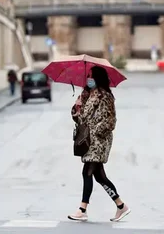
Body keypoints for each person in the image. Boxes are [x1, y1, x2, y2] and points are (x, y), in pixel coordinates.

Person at [68, 66, 131, 223]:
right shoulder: (88, 95)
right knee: (100, 176)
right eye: (88, 76)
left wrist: (96, 131)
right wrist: (76, 109)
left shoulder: (105, 96)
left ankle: (82, 209)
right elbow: (82, 120)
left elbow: (110, 121)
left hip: (99, 142)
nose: (88, 79)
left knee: (87, 172)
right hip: (89, 141)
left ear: (98, 78)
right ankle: (121, 205)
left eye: (91, 76)